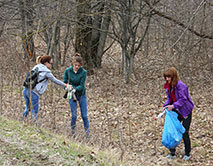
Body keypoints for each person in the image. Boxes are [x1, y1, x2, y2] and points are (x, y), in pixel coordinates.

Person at [23, 54, 71, 123]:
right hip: (34, 93)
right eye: (50, 63)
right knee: (35, 112)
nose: (51, 65)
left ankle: (22, 121)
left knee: (28, 108)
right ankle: (34, 127)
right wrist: (65, 85)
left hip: (25, 90)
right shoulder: (46, 72)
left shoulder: (36, 67)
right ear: (46, 63)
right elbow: (55, 80)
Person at [163, 67, 194, 161]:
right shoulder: (168, 86)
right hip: (176, 110)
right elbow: (169, 98)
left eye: (169, 77)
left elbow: (183, 99)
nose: (167, 79)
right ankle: (172, 153)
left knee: (184, 131)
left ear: (174, 76)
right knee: (172, 130)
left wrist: (173, 106)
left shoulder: (181, 86)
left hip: (185, 111)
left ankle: (187, 153)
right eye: (166, 77)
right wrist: (166, 106)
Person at [63, 53, 89, 138]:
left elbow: (82, 85)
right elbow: (64, 82)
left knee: (84, 115)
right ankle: (73, 132)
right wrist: (67, 87)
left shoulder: (83, 72)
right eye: (75, 65)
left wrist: (75, 89)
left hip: (81, 94)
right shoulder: (68, 71)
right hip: (71, 94)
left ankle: (87, 133)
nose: (76, 67)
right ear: (72, 64)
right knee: (74, 115)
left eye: (78, 65)